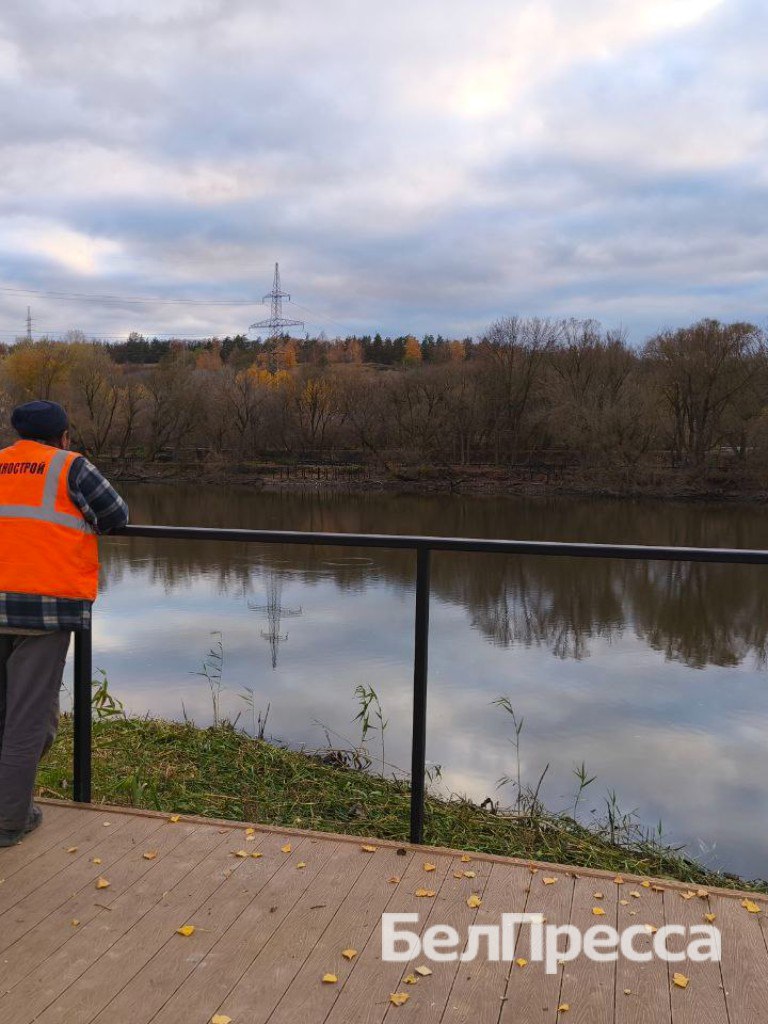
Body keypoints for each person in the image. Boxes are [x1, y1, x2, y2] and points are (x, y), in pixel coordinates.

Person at [0, 400, 128, 847]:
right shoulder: (71, 467)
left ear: (17, 436)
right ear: (64, 436)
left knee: (11, 714)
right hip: (44, 609)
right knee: (28, 718)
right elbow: (116, 516)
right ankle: (9, 821)